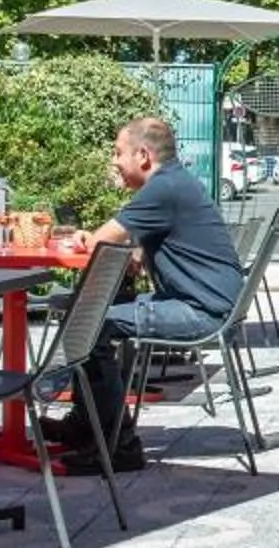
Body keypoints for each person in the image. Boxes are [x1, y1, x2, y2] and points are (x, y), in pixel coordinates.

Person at [50, 115, 243, 472]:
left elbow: (100, 240)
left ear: (142, 155)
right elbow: (136, 248)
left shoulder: (162, 188)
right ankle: (87, 426)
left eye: (117, 152)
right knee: (94, 317)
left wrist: (82, 237)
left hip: (201, 311)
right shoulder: (173, 183)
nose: (114, 161)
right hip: (204, 303)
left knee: (92, 325)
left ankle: (118, 446)